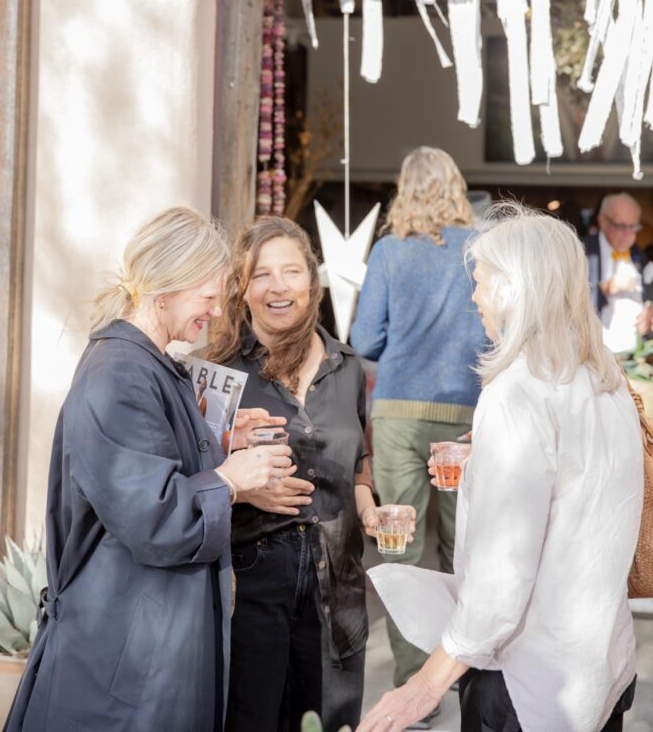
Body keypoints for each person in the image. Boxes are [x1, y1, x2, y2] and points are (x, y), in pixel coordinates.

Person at [4, 206, 292, 732]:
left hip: (144, 632)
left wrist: (224, 441)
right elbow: (153, 514)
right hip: (128, 651)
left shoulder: (147, 363)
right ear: (167, 288)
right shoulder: (120, 372)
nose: (216, 313)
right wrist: (231, 478)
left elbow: (154, 460)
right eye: (208, 296)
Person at [358, 205, 643, 732]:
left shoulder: (516, 391)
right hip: (603, 666)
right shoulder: (605, 379)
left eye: (481, 281)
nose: (474, 297)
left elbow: (499, 582)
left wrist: (424, 686)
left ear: (515, 288)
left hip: (529, 685)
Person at [207, 215, 388, 732]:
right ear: (242, 289)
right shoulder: (218, 372)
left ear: (313, 281)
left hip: (338, 585)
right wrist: (244, 491)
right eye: (262, 275)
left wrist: (371, 510)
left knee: (330, 722)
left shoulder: (348, 365)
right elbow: (194, 475)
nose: (278, 287)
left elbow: (357, 463)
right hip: (253, 582)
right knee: (252, 719)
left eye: (291, 271)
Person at [351, 146, 487, 724]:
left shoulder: (387, 251)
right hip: (466, 415)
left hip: (399, 414)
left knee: (398, 549)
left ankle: (412, 683)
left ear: (404, 191)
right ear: (457, 187)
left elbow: (364, 340)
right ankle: (472, 676)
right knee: (470, 548)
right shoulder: (478, 251)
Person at [584, 191, 653, 354]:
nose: (628, 234)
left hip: (633, 353)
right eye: (621, 226)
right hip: (594, 353)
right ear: (602, 221)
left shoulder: (637, 254)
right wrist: (604, 287)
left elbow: (648, 288)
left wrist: (649, 308)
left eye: (633, 227)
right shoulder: (583, 251)